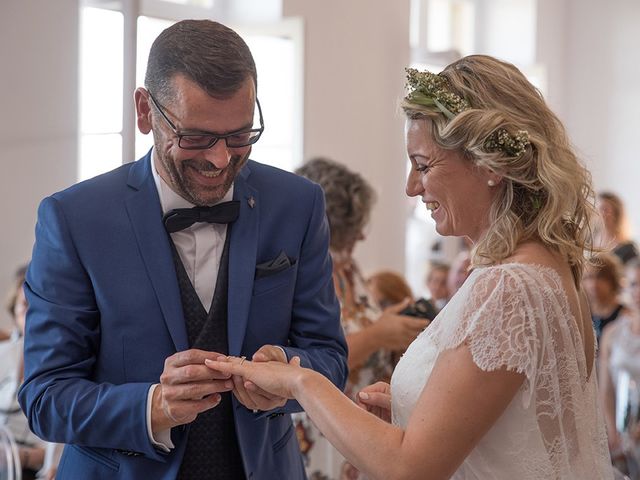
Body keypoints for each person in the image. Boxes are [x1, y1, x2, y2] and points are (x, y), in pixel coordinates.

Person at [206, 55, 614, 479]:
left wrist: (299, 382)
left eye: (423, 165)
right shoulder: (547, 266)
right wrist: (410, 416)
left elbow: (410, 469)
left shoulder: (508, 287)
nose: (410, 186)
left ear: (490, 165)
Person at [19, 20, 347, 480]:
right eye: (195, 138)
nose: (219, 160)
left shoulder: (298, 204)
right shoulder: (74, 219)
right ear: (144, 111)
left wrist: (290, 377)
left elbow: (330, 360)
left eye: (239, 137)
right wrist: (151, 405)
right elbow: (44, 398)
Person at [294, 157, 427, 480]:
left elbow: (359, 325)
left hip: (366, 425)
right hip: (325, 426)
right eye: (355, 226)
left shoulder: (350, 271)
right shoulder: (306, 274)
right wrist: (378, 335)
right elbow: (309, 359)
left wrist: (391, 325)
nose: (362, 238)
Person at [0, 266, 58, 480]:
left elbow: (58, 451)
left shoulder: (63, 368)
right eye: (25, 306)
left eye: (39, 305)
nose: (32, 314)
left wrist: (18, 456)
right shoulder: (5, 355)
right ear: (14, 312)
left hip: (33, 470)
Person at [598, 258, 640, 476]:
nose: (638, 292)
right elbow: (606, 390)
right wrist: (613, 432)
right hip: (621, 433)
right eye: (634, 284)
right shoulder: (612, 333)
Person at [583, 252, 628, 342]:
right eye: (589, 277)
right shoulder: (583, 313)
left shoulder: (624, 315)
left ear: (612, 280)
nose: (594, 284)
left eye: (600, 277)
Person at [595, 192, 639, 265]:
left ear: (617, 214)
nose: (600, 213)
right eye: (599, 209)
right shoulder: (591, 240)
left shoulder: (628, 248)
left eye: (605, 209)